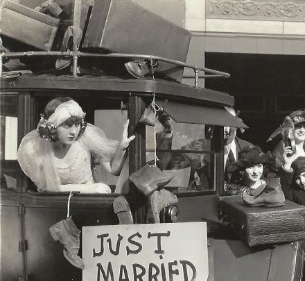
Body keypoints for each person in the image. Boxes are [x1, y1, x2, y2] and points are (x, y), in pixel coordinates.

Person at [17, 97, 134, 268]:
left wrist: (122, 146)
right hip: (56, 211)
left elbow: (113, 169)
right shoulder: (36, 149)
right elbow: (47, 188)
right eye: (67, 125)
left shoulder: (85, 139)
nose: (74, 131)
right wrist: (90, 189)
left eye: (77, 124)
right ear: (52, 126)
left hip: (89, 206)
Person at [156, 106, 254, 190]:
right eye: (220, 122)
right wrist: (167, 131)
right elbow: (168, 163)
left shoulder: (249, 148)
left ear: (236, 123)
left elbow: (261, 181)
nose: (225, 128)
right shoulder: (200, 146)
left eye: (229, 122)